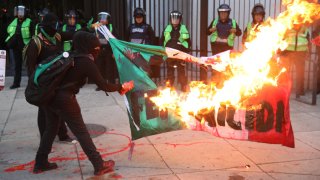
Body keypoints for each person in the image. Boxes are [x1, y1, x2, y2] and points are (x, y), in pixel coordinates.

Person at [33, 31, 134, 175]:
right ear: (88, 46)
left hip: (50, 97)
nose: (97, 50)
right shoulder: (85, 61)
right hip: (64, 99)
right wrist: (121, 87)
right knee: (81, 133)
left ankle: (40, 162)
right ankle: (99, 164)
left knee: (50, 129)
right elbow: (103, 84)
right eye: (95, 47)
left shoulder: (70, 55)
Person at [25, 13, 74, 142]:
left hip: (58, 80)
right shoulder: (35, 43)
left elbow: (74, 35)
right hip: (43, 84)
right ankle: (44, 140)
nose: (56, 28)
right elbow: (30, 68)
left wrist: (91, 29)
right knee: (44, 112)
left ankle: (63, 135)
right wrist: (36, 86)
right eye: (54, 26)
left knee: (61, 107)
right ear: (46, 26)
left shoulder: (56, 36)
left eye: (57, 25)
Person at [203, 4, 242, 83]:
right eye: (221, 13)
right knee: (216, 69)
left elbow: (239, 33)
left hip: (227, 50)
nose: (223, 14)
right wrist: (211, 30)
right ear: (219, 13)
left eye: (225, 13)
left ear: (228, 13)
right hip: (216, 50)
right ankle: (215, 87)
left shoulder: (233, 22)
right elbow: (206, 32)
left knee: (226, 70)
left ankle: (226, 86)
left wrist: (235, 31)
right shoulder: (215, 21)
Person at [160, 11, 191, 91]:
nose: (175, 21)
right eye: (173, 19)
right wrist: (162, 51)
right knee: (170, 72)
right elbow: (162, 40)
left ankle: (184, 89)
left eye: (177, 19)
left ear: (180, 20)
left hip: (180, 54)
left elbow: (188, 41)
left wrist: (187, 52)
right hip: (169, 54)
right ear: (170, 19)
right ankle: (169, 90)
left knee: (181, 72)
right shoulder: (167, 28)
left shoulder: (183, 28)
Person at [126, 8, 160, 79]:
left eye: (140, 17)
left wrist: (150, 51)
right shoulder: (130, 27)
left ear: (143, 17)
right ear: (134, 17)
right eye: (137, 17)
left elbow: (152, 39)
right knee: (134, 69)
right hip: (133, 53)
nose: (138, 19)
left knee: (145, 69)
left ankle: (147, 85)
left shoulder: (148, 27)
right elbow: (126, 40)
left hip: (144, 53)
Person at [5, 5, 33, 89]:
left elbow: (32, 34)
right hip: (15, 46)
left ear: (25, 12)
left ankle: (31, 83)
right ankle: (16, 83)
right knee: (17, 66)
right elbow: (8, 31)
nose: (19, 14)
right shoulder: (13, 21)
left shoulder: (30, 21)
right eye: (18, 12)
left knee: (29, 65)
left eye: (21, 12)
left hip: (26, 46)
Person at [280, 24, 310, 97]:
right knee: (285, 72)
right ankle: (283, 90)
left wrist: (307, 52)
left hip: (300, 53)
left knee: (300, 73)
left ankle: (300, 91)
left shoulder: (305, 29)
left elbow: (308, 42)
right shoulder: (287, 27)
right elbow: (281, 39)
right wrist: (281, 52)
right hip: (288, 52)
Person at [92, 12, 118, 86]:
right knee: (99, 68)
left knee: (109, 68)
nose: (102, 20)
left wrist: (114, 51)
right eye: (101, 18)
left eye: (104, 18)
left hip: (109, 50)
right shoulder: (96, 27)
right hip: (99, 50)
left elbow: (116, 39)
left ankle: (111, 83)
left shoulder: (111, 27)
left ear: (108, 20)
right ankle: (101, 85)